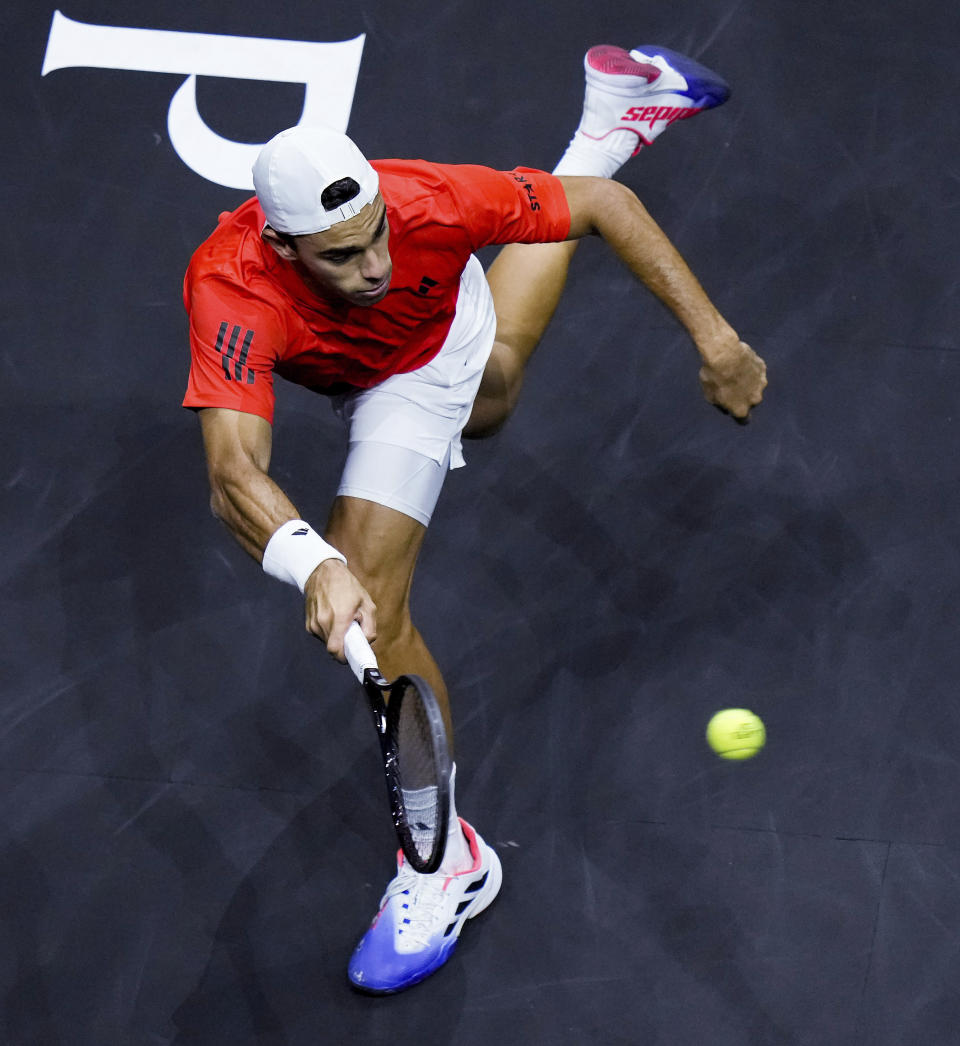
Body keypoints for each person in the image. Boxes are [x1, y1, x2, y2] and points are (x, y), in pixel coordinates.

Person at [182, 43, 767, 994]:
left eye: (376, 234)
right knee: (492, 401)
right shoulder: (231, 285)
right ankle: (610, 120)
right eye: (342, 255)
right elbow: (232, 472)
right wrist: (306, 560)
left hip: (418, 355)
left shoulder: (425, 204)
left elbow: (608, 215)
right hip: (391, 361)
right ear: (282, 247)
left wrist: (717, 340)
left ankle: (444, 861)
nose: (372, 263)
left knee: (377, 583)